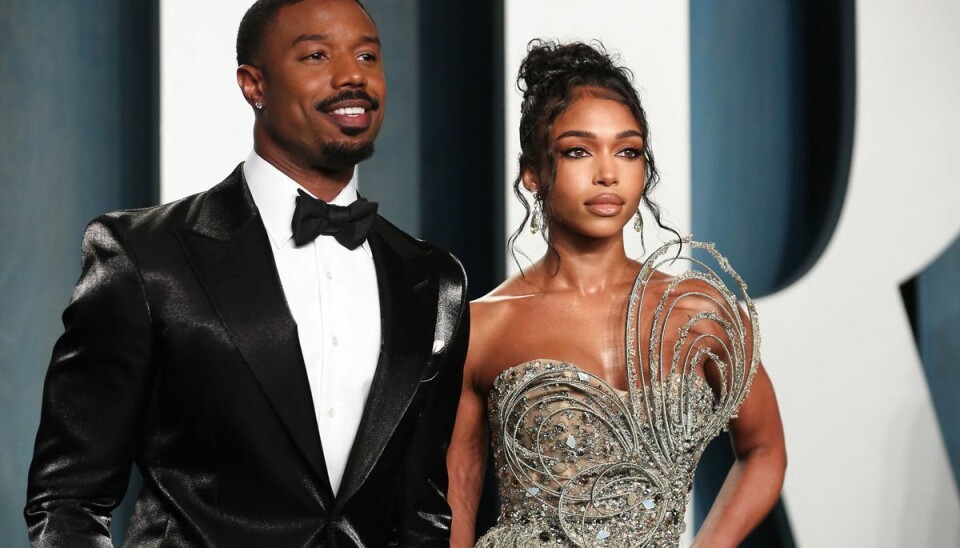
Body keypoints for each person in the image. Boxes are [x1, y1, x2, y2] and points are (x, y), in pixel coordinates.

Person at [24, 0, 468, 545]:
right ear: (252, 85)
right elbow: (68, 497)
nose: (353, 75)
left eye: (367, 56)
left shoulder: (433, 280)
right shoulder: (144, 255)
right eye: (316, 55)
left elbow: (422, 512)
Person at [447, 40, 786, 547]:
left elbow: (764, 449)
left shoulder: (697, 312)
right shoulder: (483, 325)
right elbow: (459, 490)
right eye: (578, 150)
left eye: (627, 151)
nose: (608, 173)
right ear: (533, 173)